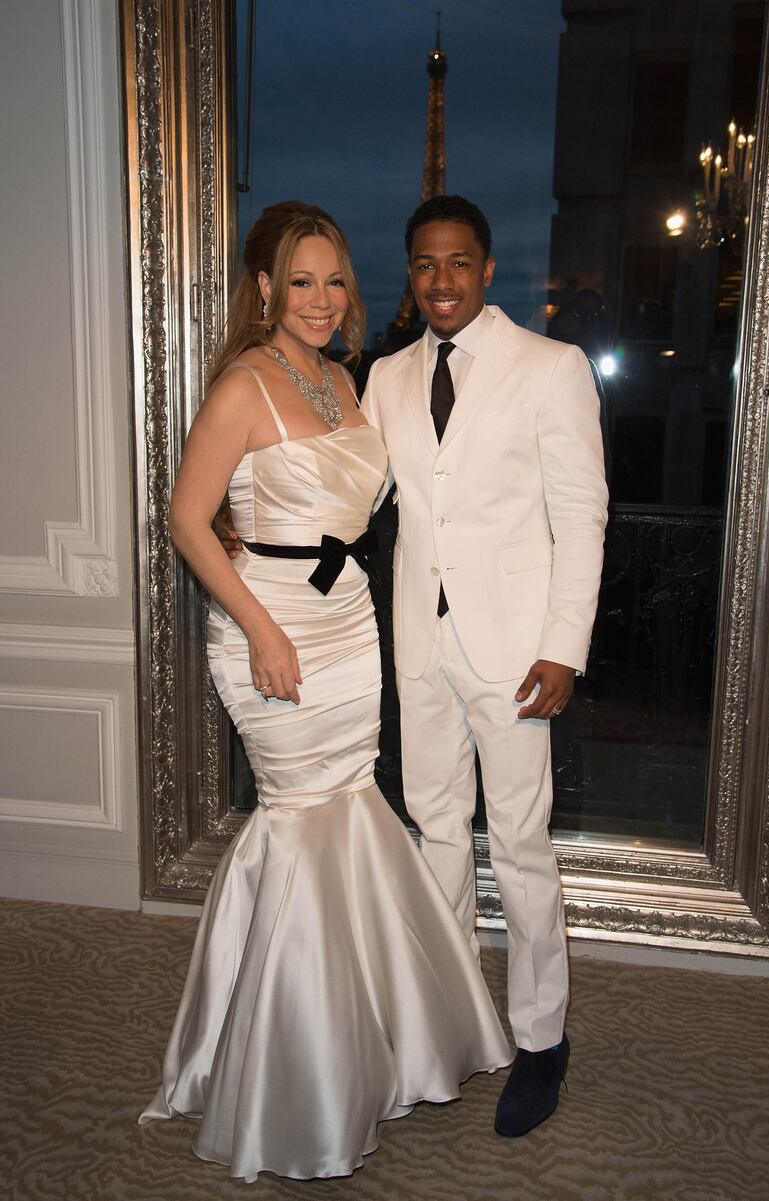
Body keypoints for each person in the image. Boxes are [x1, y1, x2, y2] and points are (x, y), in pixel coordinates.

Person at [138, 200, 511, 1183]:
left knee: (349, 810)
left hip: (345, 616)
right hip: (272, 626)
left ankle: (370, 1043)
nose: (317, 298)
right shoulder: (243, 385)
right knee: (299, 817)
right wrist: (258, 626)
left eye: (332, 279)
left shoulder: (345, 379)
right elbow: (185, 518)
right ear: (263, 288)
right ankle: (288, 1072)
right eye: (297, 280)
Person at [360, 195, 608, 1138]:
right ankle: (451, 1021)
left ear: (489, 268)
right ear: (412, 272)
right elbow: (360, 492)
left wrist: (563, 645)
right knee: (433, 835)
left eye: (458, 262)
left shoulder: (550, 368)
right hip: (420, 642)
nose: (441, 281)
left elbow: (581, 513)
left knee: (520, 845)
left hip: (516, 653)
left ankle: (542, 1037)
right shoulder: (386, 377)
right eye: (424, 264)